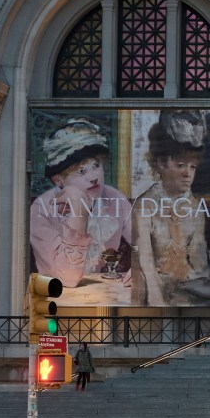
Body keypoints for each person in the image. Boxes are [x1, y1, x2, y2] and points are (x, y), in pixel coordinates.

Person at [28, 118, 135, 306]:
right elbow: (68, 279)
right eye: (81, 171)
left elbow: (148, 244)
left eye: (96, 166)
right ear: (59, 180)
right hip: (54, 302)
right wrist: (78, 211)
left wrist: (144, 267)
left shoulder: (115, 198)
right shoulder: (41, 208)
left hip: (105, 297)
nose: (94, 177)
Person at [132, 111, 210, 307]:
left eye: (192, 167)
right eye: (180, 165)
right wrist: (155, 297)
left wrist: (207, 285)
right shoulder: (144, 204)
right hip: (152, 291)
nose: (187, 174)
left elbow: (198, 258)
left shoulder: (195, 206)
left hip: (187, 291)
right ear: (160, 163)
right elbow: (144, 258)